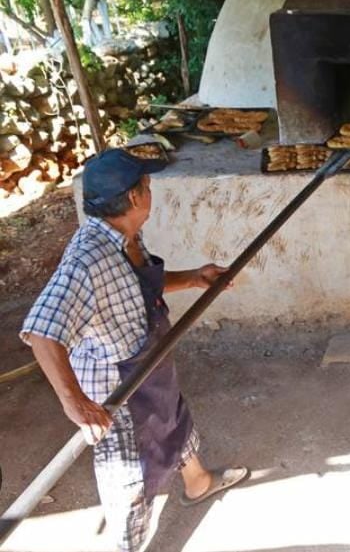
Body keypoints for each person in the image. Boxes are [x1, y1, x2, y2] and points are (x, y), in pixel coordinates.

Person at [19, 148, 248, 552]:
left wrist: (194, 277)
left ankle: (198, 482)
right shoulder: (86, 261)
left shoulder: (125, 235)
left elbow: (137, 286)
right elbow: (42, 332)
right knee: (132, 480)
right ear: (133, 197)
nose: (150, 190)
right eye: (147, 184)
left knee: (173, 417)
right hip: (118, 387)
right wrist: (76, 403)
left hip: (148, 358)